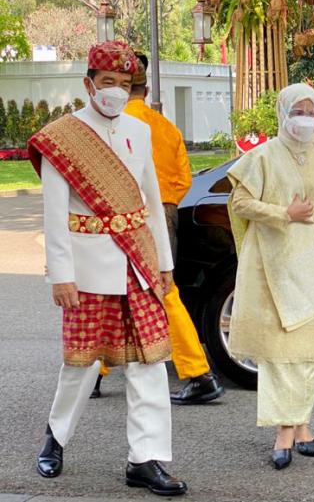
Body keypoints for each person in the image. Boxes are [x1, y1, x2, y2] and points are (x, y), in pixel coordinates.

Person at [29, 41, 187, 496]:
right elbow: (55, 214)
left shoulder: (139, 132)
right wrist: (60, 275)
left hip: (137, 264)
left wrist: (164, 263)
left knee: (149, 364)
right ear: (89, 84)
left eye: (124, 84)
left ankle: (147, 460)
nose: (115, 92)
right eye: (107, 83)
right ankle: (55, 439)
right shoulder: (64, 137)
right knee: (79, 366)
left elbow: (151, 204)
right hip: (87, 269)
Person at [91, 52, 225, 405]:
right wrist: (164, 204)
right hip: (164, 213)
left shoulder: (114, 123)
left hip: (124, 215)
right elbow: (182, 179)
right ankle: (97, 369)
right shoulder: (165, 128)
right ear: (146, 90)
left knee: (120, 289)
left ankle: (198, 372)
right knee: (157, 289)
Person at [226, 83, 314, 470]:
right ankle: (284, 432)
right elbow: (239, 202)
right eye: (297, 110)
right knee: (277, 352)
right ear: (283, 113)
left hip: (309, 262)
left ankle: (302, 424)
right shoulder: (262, 157)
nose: (304, 118)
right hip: (269, 264)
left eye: (310, 111)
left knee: (309, 349)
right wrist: (283, 215)